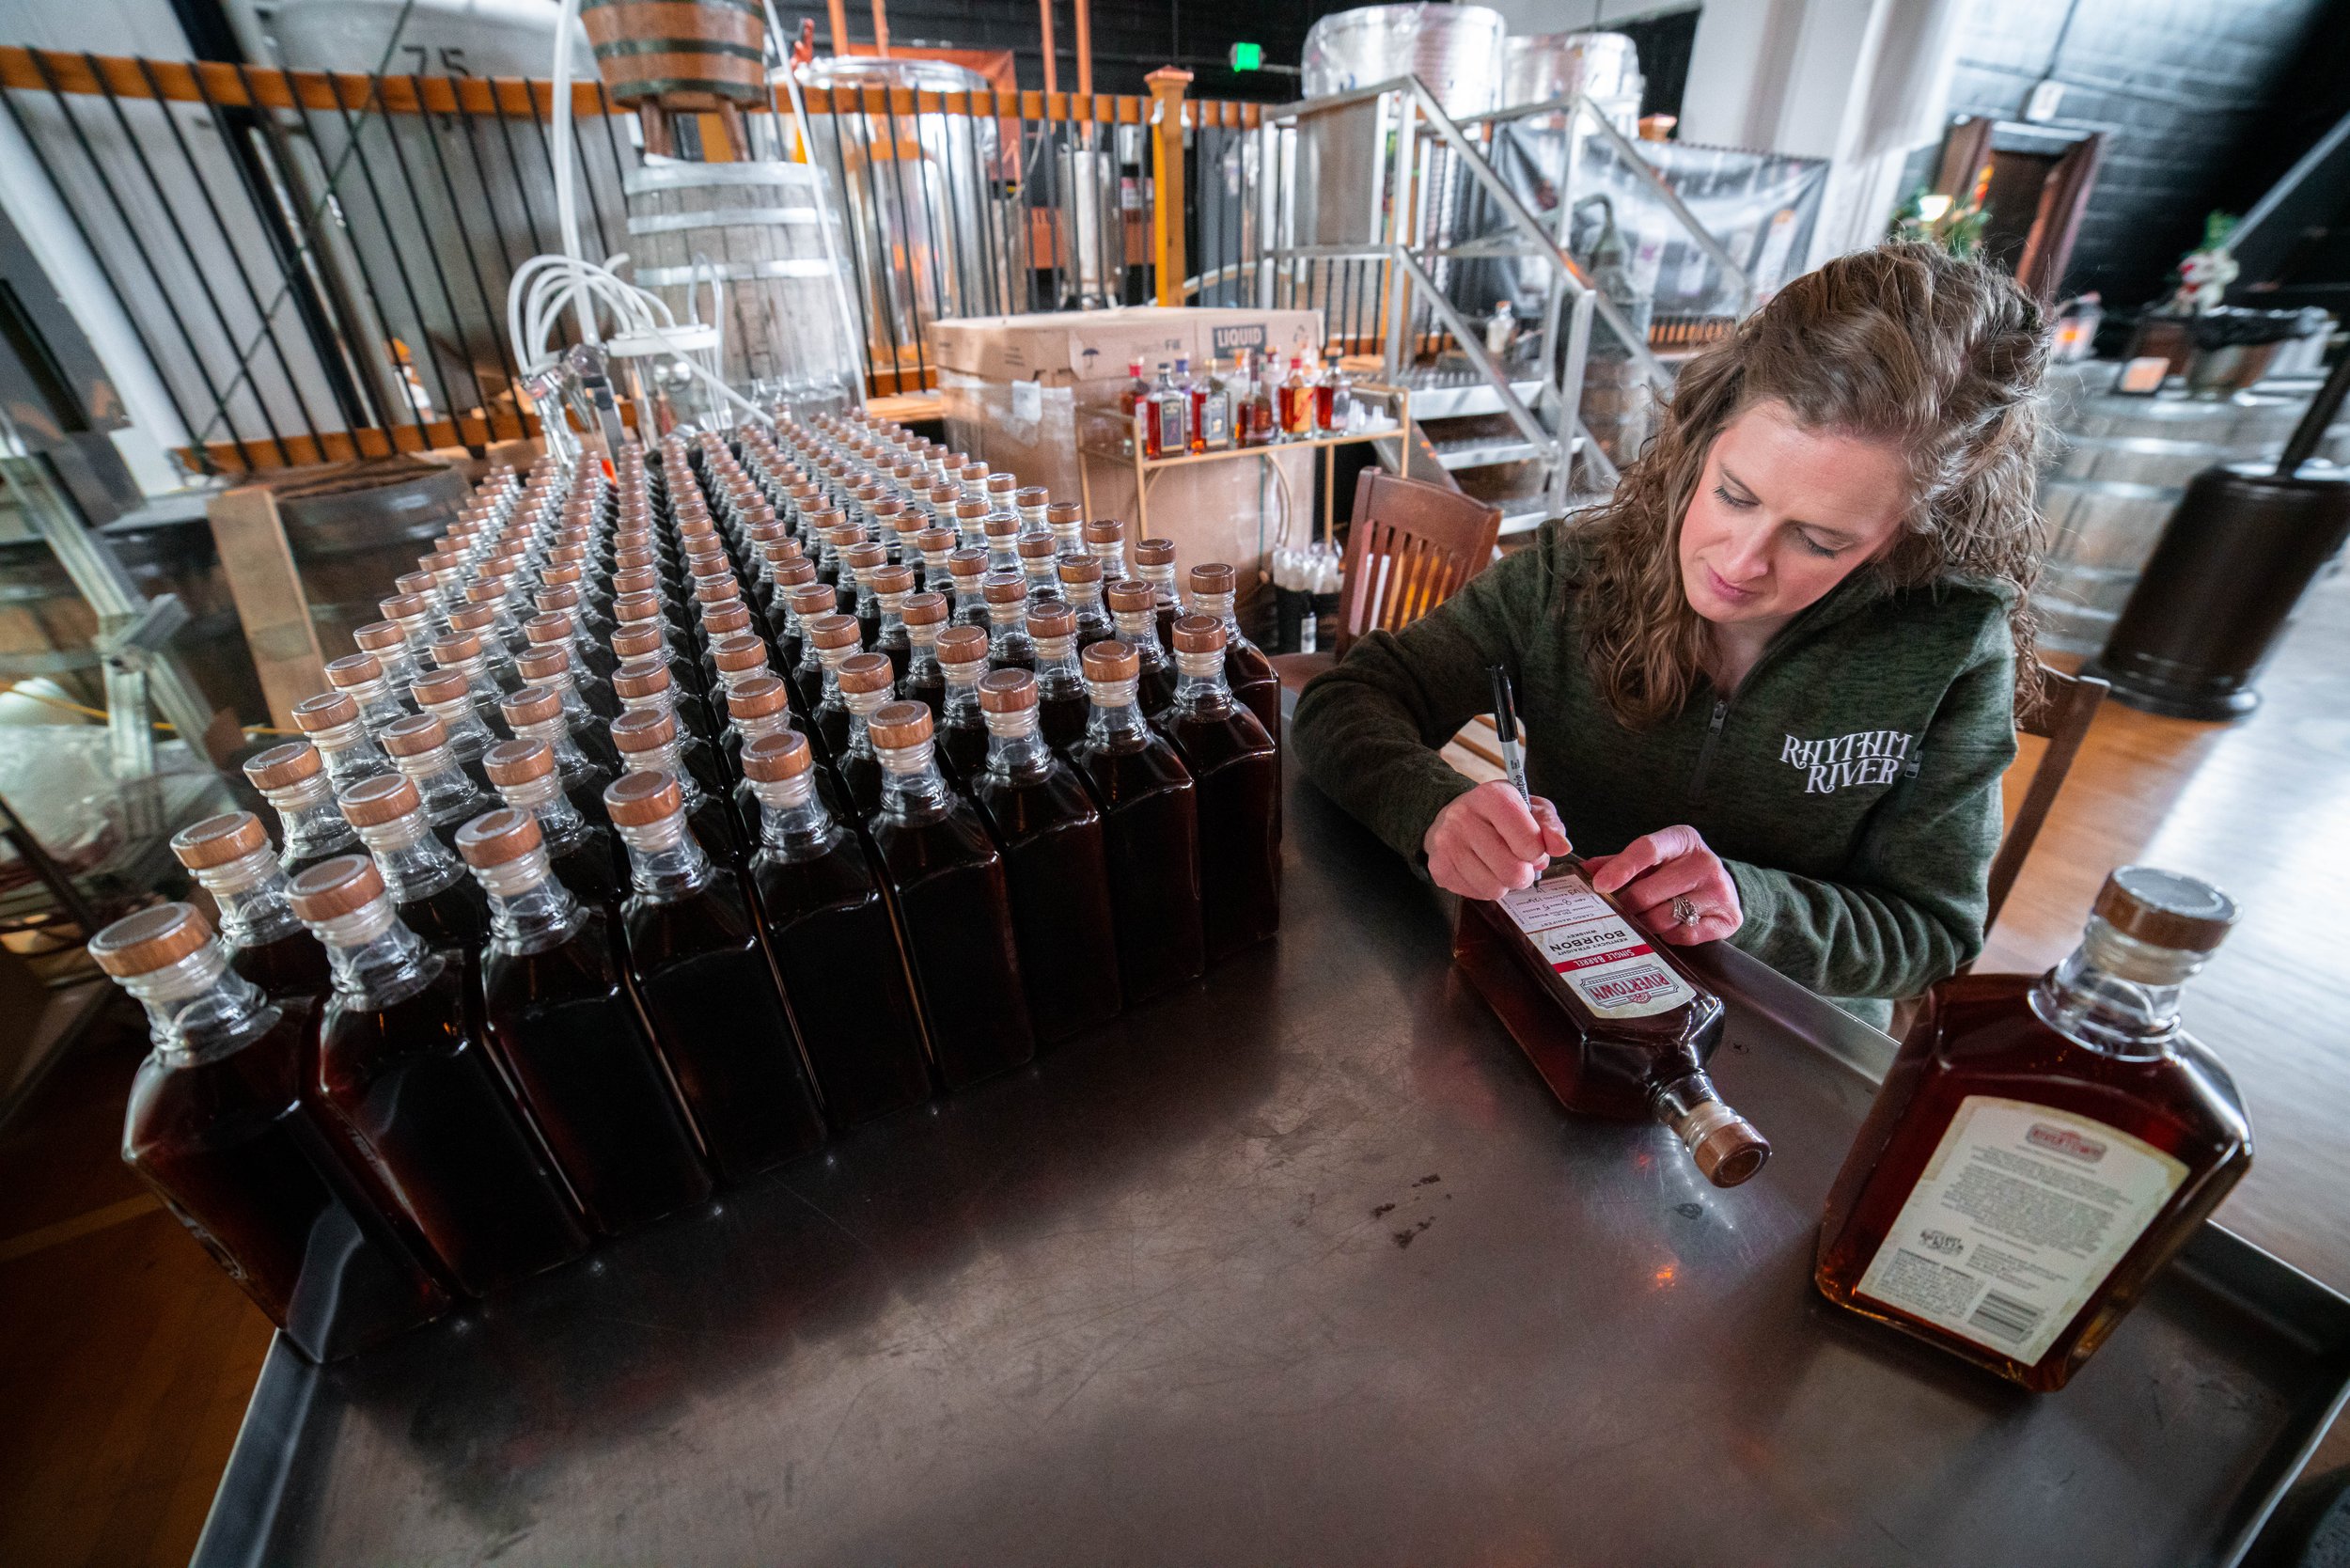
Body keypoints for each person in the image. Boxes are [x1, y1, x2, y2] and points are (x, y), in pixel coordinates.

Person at [1292, 243, 2048, 1027]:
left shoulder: (1949, 646)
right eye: (1733, 494)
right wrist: (1434, 810)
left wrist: (1751, 907)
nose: (1741, 562)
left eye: (1820, 542)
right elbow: (1347, 702)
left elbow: (1932, 932)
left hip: (1786, 1040)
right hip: (1565, 993)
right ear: (1705, 437)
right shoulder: (1572, 576)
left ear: (1909, 536)